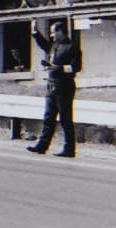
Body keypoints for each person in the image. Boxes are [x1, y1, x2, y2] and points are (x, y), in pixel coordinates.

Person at [27, 19, 80, 158]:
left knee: (65, 119)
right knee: (48, 117)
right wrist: (35, 32)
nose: (52, 35)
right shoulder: (54, 46)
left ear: (60, 32)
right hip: (51, 85)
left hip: (65, 86)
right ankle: (42, 146)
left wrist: (57, 68)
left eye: (53, 32)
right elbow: (44, 45)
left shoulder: (72, 47)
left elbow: (75, 67)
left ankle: (69, 149)